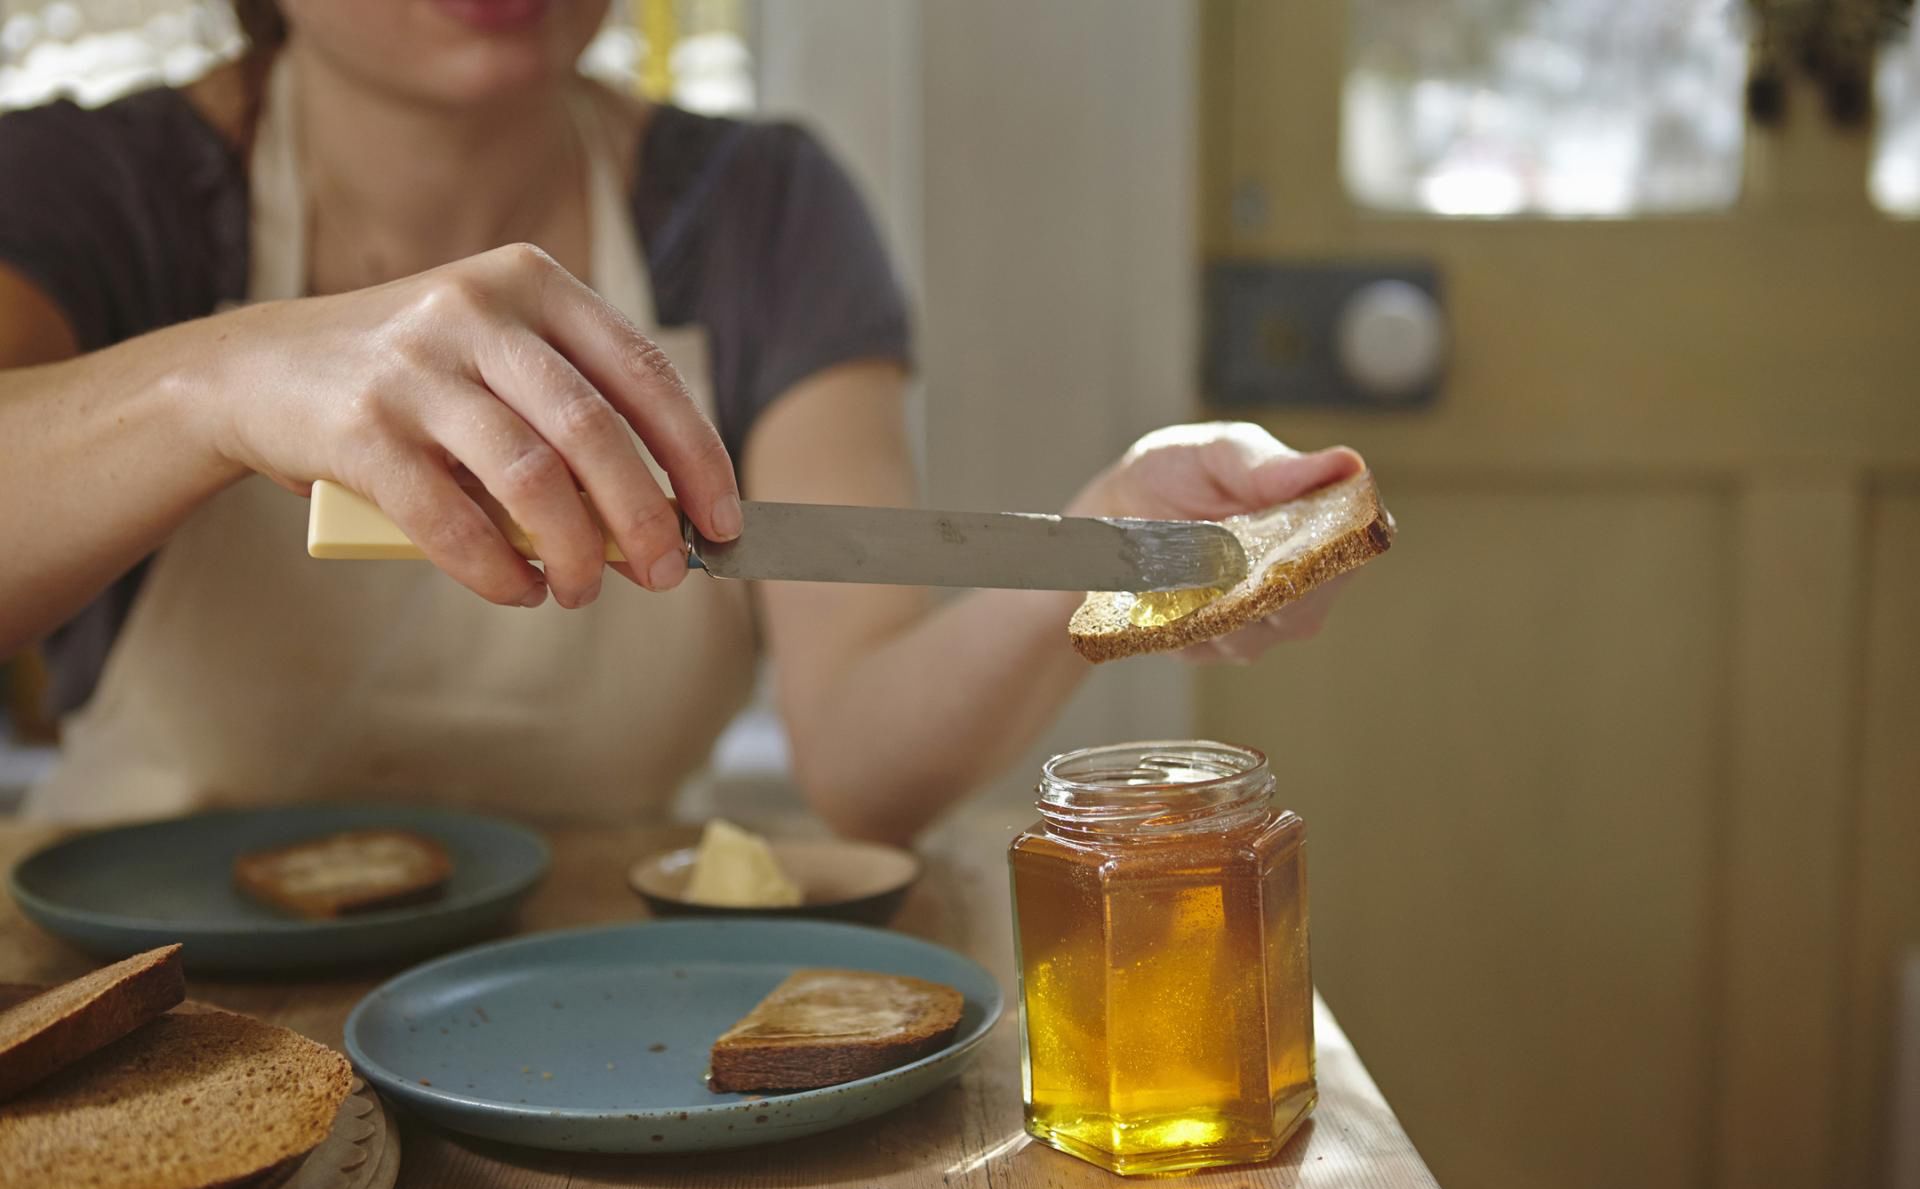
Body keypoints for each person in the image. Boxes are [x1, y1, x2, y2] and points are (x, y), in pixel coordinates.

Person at [0, 0, 1364, 842]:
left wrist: (1103, 542)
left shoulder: (765, 211)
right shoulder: (86, 191)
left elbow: (865, 767)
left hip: (600, 1012)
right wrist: (216, 385)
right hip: (147, 1000)